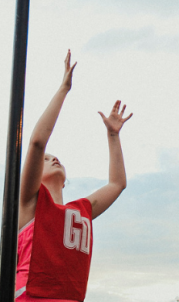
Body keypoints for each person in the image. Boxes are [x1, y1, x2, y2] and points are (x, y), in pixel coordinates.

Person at [16, 50, 133, 302]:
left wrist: (113, 136)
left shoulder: (79, 212)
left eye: (53, 157)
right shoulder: (29, 204)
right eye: (46, 160)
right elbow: (37, 143)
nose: (52, 158)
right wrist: (63, 89)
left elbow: (117, 183)